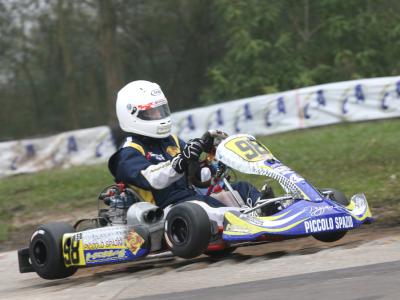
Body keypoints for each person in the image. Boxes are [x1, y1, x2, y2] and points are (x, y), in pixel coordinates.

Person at [108, 80, 270, 209]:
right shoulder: (127, 153)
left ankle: (270, 209)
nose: (159, 116)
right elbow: (152, 178)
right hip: (165, 209)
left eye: (161, 110)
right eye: (151, 113)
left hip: (192, 199)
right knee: (207, 206)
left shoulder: (172, 141)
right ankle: (246, 219)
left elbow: (198, 175)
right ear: (132, 115)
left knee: (241, 189)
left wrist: (209, 160)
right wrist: (180, 162)